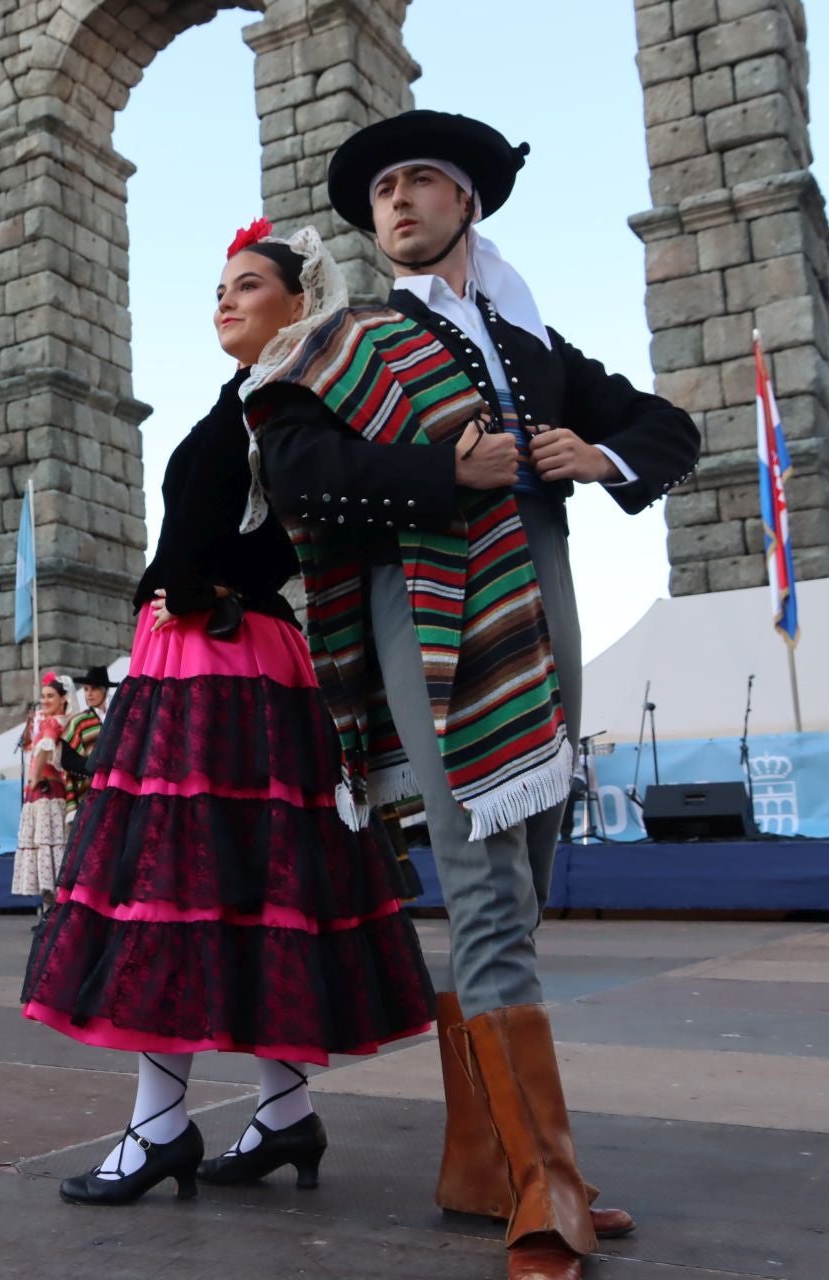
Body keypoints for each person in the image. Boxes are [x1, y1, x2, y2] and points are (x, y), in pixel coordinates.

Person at [243, 113, 700, 1280]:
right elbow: (293, 470)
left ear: (468, 205)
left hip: (540, 589)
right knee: (486, 861)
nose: (395, 200)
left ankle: (485, 1157)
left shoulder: (528, 341)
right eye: (381, 187)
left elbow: (666, 427)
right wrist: (443, 469)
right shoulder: (349, 335)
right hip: (428, 596)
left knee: (531, 860)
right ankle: (541, 1176)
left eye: (419, 182)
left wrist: (596, 456)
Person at [22, 219, 437, 1208]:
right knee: (241, 876)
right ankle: (284, 1110)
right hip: (207, 653)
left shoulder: (291, 400)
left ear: (302, 301)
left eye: (248, 284)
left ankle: (159, 1127)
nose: (225, 298)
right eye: (221, 284)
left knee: (180, 876)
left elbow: (318, 515)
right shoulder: (245, 398)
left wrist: (214, 587)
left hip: (227, 653)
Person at [11, 678, 70, 925]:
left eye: (50, 696)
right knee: (47, 847)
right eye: (43, 696)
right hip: (42, 795)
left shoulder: (54, 723)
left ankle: (53, 912)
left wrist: (34, 778)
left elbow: (45, 746)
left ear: (63, 700)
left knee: (48, 846)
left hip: (47, 793)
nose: (45, 701)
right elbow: (28, 744)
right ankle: (50, 912)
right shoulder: (50, 722)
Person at [58, 665, 116, 818]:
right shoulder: (78, 722)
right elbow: (67, 760)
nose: (89, 694)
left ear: (104, 690)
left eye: (94, 689)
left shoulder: (117, 720)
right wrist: (93, 767)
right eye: (85, 689)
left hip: (116, 787)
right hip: (89, 788)